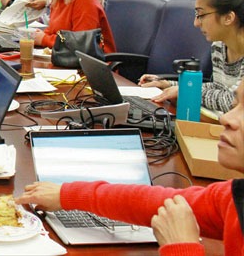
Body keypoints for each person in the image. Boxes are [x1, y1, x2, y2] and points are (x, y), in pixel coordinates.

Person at [17, 81, 244, 255]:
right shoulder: (234, 197)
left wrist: (181, 247)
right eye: (235, 106)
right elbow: (154, 201)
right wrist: (68, 194)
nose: (227, 119)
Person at [140, 0, 244, 115]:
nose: (196, 23)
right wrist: (169, 84)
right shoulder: (219, 46)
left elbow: (234, 102)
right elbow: (219, 89)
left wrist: (187, 90)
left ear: (228, 18)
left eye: (201, 15)